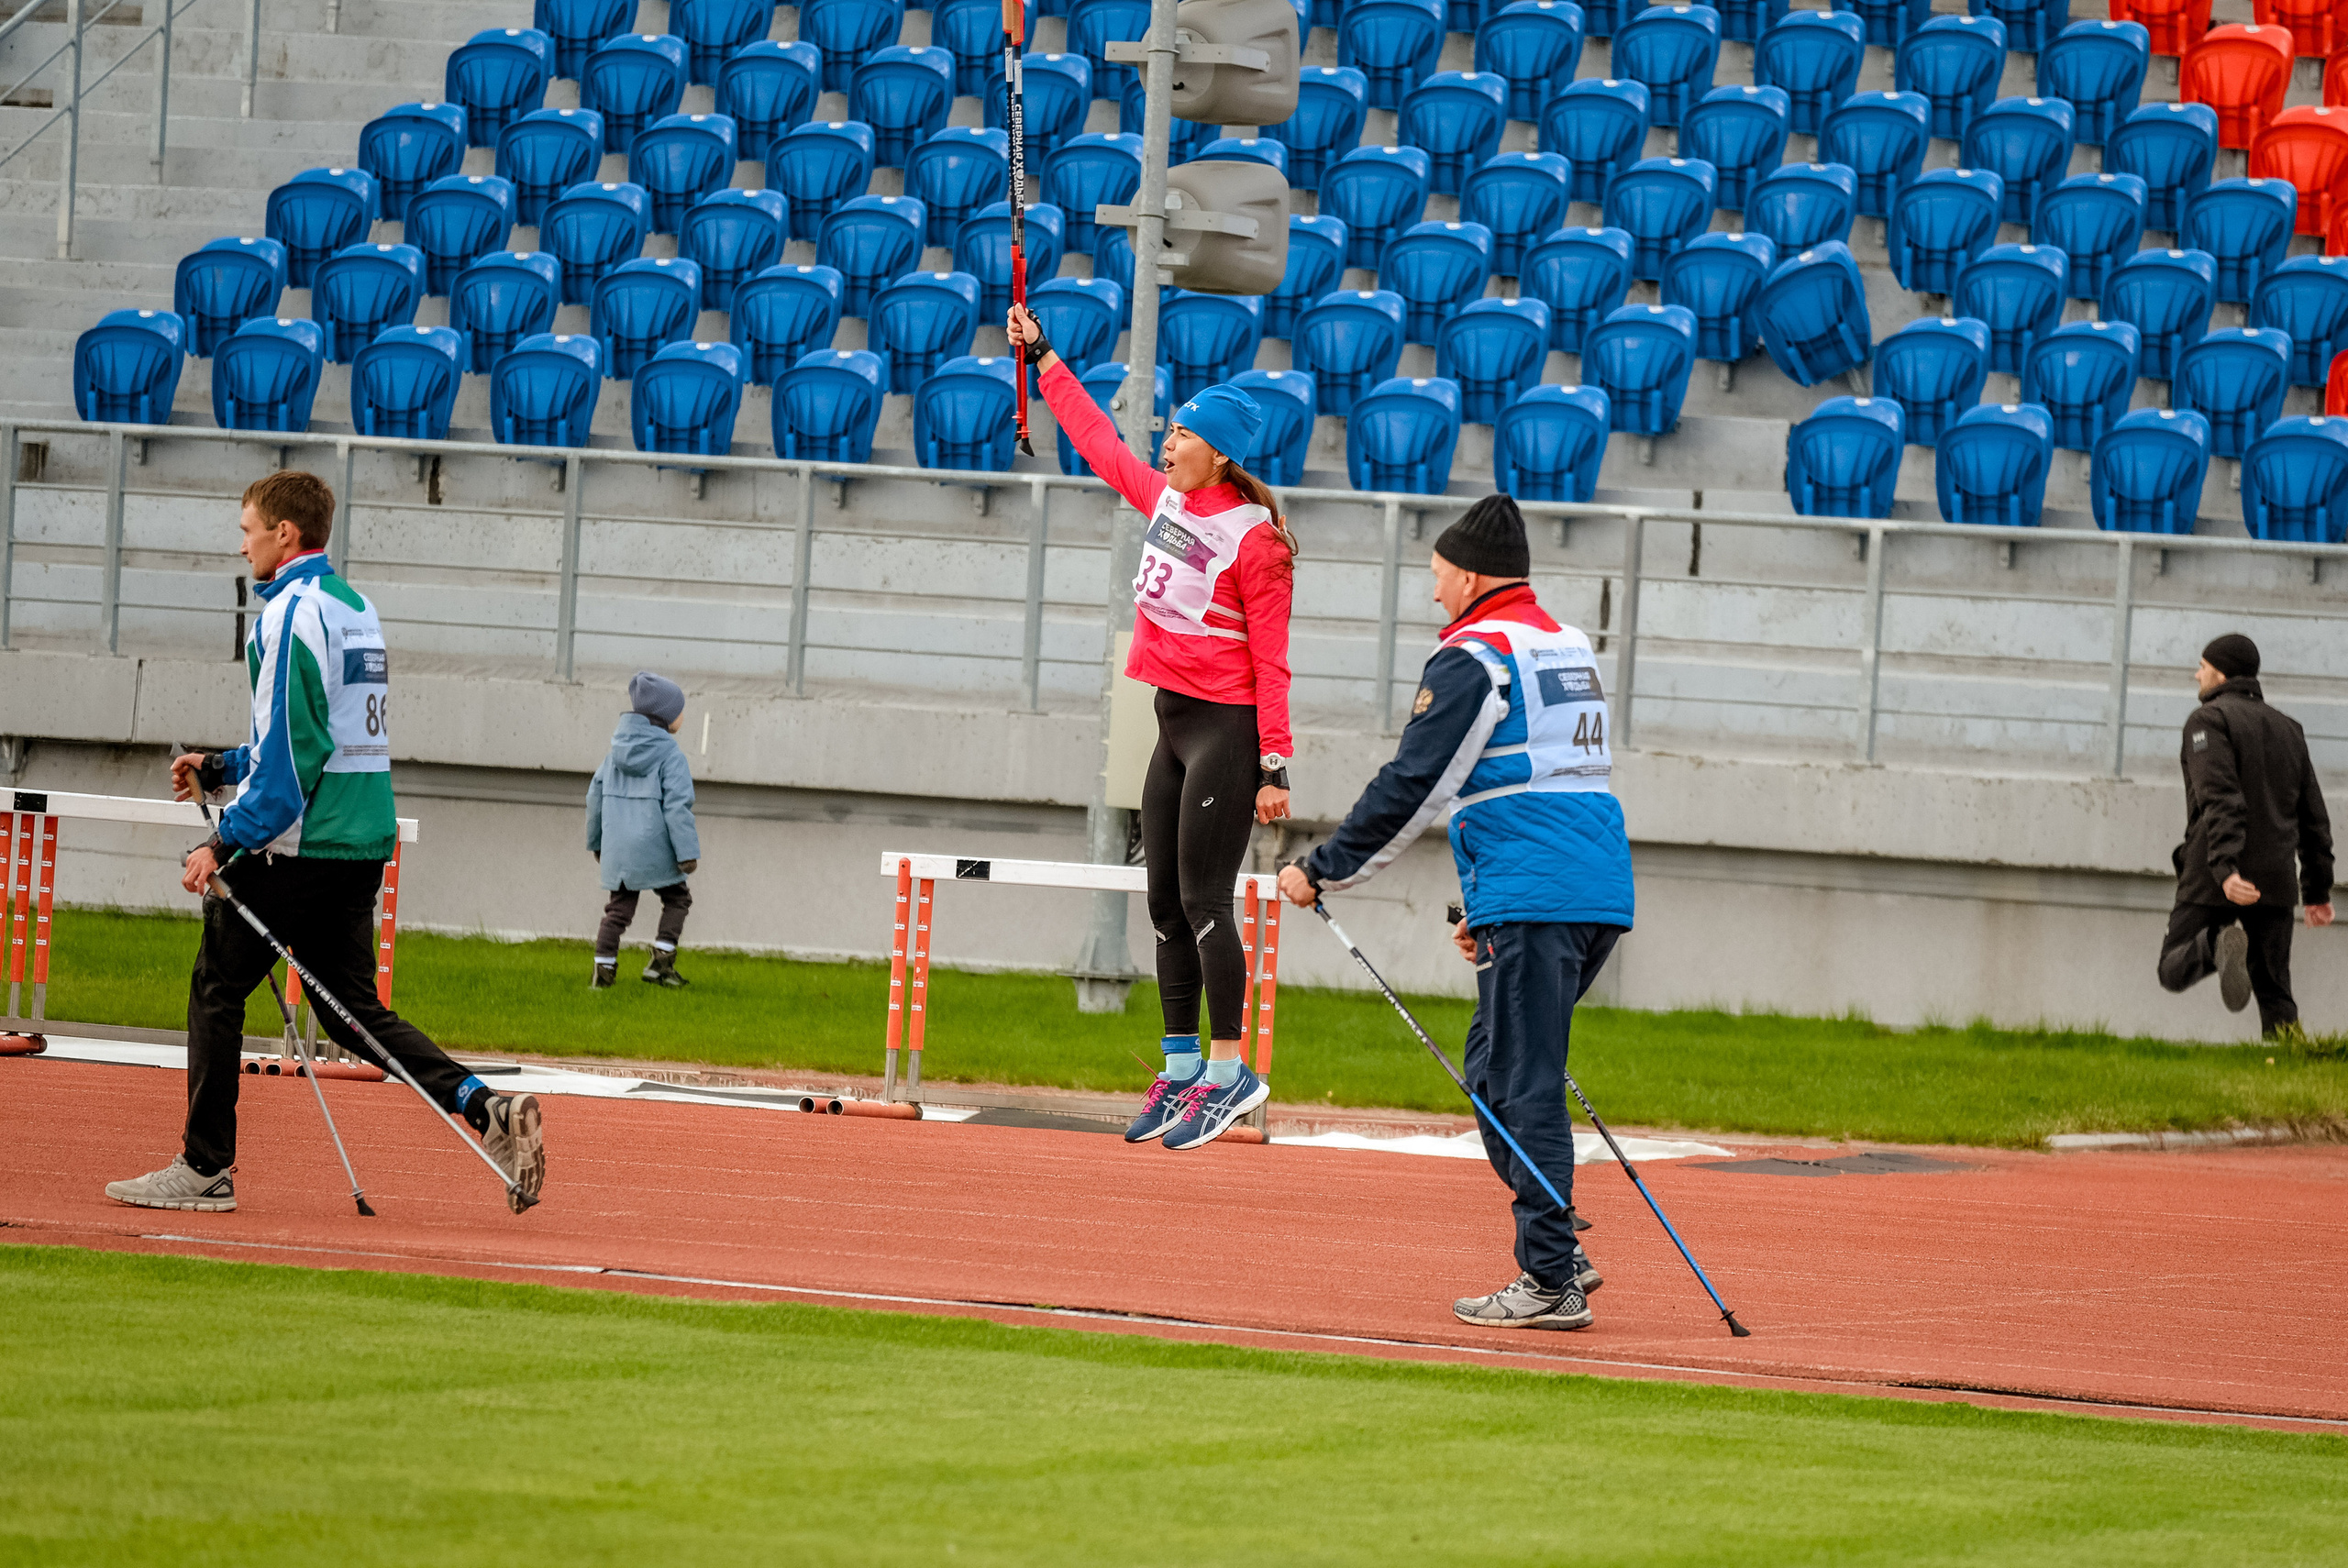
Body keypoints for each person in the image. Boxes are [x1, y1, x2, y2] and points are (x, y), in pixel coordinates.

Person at [106, 470, 546, 1215]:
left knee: (216, 987)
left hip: (296, 845)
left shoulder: (284, 617)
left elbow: (291, 763)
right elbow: (312, 740)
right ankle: (483, 1106)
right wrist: (220, 767)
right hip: (358, 838)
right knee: (349, 1011)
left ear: (284, 535)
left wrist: (224, 841)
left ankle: (204, 1167)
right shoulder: (355, 608)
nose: (241, 543)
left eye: (248, 529)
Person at [1277, 494, 1634, 1331]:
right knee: (1492, 1065)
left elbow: (1416, 784)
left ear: (1470, 576)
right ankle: (1558, 1245)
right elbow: (1540, 774)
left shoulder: (1475, 655)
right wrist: (1494, 905)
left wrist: (1324, 869)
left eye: (1438, 579)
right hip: (1585, 888)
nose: (1434, 595)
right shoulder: (1566, 643)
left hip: (1539, 893)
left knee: (1522, 1080)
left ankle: (1550, 1276)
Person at [1005, 302, 1295, 1153]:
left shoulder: (1259, 543)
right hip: (1169, 726)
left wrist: (1274, 767)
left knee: (1206, 902)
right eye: (1167, 433)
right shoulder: (1165, 497)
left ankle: (1230, 1070)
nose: (1166, 445)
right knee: (1163, 900)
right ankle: (1177, 1071)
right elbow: (1099, 444)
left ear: (1220, 453)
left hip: (1228, 733)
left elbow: (1273, 662)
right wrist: (1047, 357)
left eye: (1181, 435)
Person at [2157, 634, 2333, 1036]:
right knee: (2275, 992)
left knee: (2172, 968)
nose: (2196, 674)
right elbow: (2313, 818)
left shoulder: (2207, 721)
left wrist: (2225, 870)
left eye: (2202, 666)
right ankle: (2288, 1074)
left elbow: (2221, 800)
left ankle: (2217, 941)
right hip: (2274, 876)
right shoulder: (2289, 729)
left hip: (2216, 872)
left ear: (2220, 672)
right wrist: (2318, 892)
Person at [588, 671, 703, 988]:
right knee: (678, 899)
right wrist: (687, 854)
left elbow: (593, 799)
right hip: (654, 845)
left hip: (619, 848)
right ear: (665, 716)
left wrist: (597, 844)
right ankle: (661, 962)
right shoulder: (671, 755)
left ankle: (603, 970)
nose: (683, 715)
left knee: (618, 909)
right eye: (680, 709)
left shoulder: (613, 755)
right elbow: (677, 807)